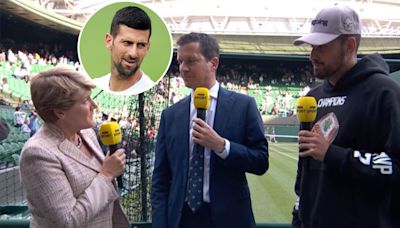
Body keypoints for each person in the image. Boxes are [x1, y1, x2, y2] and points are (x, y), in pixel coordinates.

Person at [291, 5, 400, 228]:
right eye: (312, 46)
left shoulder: (384, 92)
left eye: (321, 46)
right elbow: (305, 174)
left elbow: (395, 165)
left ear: (349, 45)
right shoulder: (313, 97)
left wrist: (332, 153)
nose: (313, 55)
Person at [151, 32, 269, 228]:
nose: (183, 69)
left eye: (191, 61)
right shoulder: (170, 115)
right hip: (182, 219)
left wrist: (222, 146)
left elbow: (261, 161)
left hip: (228, 219)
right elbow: (161, 178)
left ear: (213, 63)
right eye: (180, 62)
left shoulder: (243, 106)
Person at [19, 67, 130, 228]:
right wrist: (106, 175)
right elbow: (67, 221)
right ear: (60, 112)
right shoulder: (38, 153)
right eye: (85, 101)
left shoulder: (86, 133)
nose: (95, 105)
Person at [93, 6, 154, 96]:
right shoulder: (96, 83)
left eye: (141, 45)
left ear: (147, 48)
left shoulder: (149, 87)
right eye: (127, 43)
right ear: (109, 41)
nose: (133, 54)